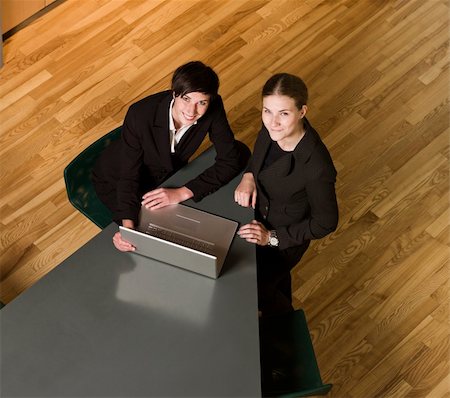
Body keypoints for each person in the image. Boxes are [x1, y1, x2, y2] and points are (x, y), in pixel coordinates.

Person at [93, 61, 250, 251]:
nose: (192, 111)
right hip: (117, 179)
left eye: (201, 102)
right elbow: (128, 178)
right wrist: (127, 230)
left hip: (165, 178)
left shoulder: (213, 107)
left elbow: (231, 159)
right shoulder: (140, 114)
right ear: (174, 93)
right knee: (150, 238)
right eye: (186, 99)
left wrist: (182, 192)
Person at [234, 73, 338, 317]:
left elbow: (326, 222)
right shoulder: (273, 127)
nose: (272, 122)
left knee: (251, 293)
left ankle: (284, 324)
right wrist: (249, 175)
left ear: (302, 112)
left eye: (284, 113)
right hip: (255, 216)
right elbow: (260, 150)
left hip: (281, 242)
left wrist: (270, 237)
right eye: (267, 111)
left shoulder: (317, 167)